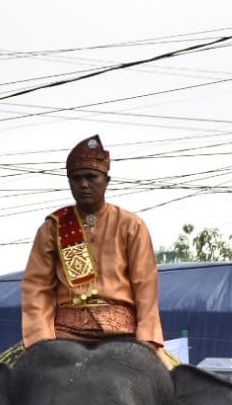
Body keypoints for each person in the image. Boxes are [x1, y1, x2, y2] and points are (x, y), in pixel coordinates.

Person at [21, 135, 163, 348]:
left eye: (90, 177)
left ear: (106, 180)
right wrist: (40, 338)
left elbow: (145, 284)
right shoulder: (54, 227)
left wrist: (147, 335)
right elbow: (37, 286)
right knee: (8, 376)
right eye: (76, 179)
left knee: (173, 377)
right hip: (64, 332)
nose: (83, 185)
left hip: (122, 330)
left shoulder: (131, 225)